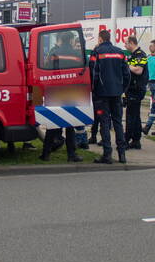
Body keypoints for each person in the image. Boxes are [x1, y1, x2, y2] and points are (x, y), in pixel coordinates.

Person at [89, 29, 131, 164]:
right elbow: (127, 74)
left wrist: (93, 90)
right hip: (117, 93)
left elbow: (93, 73)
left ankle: (107, 154)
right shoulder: (120, 52)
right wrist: (122, 89)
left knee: (104, 123)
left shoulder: (97, 52)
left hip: (102, 94)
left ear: (100, 39)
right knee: (118, 123)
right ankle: (122, 155)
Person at [40, 31, 83, 162]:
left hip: (55, 90)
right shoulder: (77, 54)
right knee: (70, 125)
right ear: (70, 40)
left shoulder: (54, 53)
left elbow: (47, 69)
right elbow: (81, 73)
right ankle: (71, 155)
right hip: (71, 91)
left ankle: (46, 154)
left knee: (53, 124)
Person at [123, 35, 148, 149]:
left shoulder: (140, 55)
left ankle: (126, 139)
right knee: (136, 115)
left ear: (131, 43)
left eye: (126, 43)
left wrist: (126, 65)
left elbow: (138, 70)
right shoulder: (133, 55)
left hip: (136, 89)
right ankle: (136, 140)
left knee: (131, 115)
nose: (125, 45)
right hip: (132, 89)